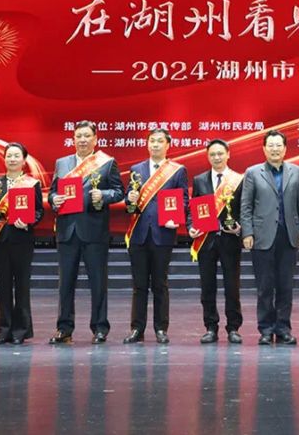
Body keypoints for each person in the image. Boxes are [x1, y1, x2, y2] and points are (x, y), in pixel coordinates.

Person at [48, 121, 123, 345]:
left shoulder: (107, 163)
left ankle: (100, 328)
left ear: (95, 139)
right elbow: (52, 192)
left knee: (98, 283)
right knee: (65, 284)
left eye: (87, 136)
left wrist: (104, 196)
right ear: (73, 139)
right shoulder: (62, 163)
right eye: (78, 136)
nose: (82, 140)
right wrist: (54, 199)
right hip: (67, 231)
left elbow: (119, 191)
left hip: (94, 230)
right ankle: (64, 328)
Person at [240, 129, 299, 345]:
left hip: (288, 235)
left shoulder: (296, 171)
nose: (275, 149)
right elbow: (246, 205)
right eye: (270, 145)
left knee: (285, 285)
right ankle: (265, 329)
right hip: (262, 236)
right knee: (264, 286)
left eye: (279, 145)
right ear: (264, 148)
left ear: (285, 148)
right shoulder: (253, 172)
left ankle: (283, 329)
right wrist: (247, 232)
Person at [123, 128, 190, 345]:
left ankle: (161, 328)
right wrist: (130, 199)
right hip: (139, 234)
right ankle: (137, 329)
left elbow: (184, 200)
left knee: (160, 284)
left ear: (167, 145)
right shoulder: (137, 169)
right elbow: (129, 203)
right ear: (147, 144)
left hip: (163, 233)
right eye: (152, 141)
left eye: (160, 141)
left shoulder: (177, 171)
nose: (155, 145)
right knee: (139, 285)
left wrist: (176, 217)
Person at [0, 142, 44, 345]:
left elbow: (38, 211)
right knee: (3, 287)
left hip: (22, 240)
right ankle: (4, 330)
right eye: (9, 155)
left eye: (16, 156)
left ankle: (21, 331)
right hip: (1, 240)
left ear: (24, 160)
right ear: (4, 159)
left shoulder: (32, 183)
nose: (12, 159)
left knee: (22, 287)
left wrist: (28, 222)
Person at [188, 139, 245, 344]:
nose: (217, 157)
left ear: (228, 154)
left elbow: (245, 208)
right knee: (207, 286)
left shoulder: (239, 180)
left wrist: (240, 228)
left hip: (230, 240)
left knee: (232, 287)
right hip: (206, 240)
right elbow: (193, 209)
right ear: (207, 156)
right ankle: (210, 327)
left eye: (220, 153)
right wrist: (191, 226)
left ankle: (233, 328)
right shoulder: (200, 180)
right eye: (212, 154)